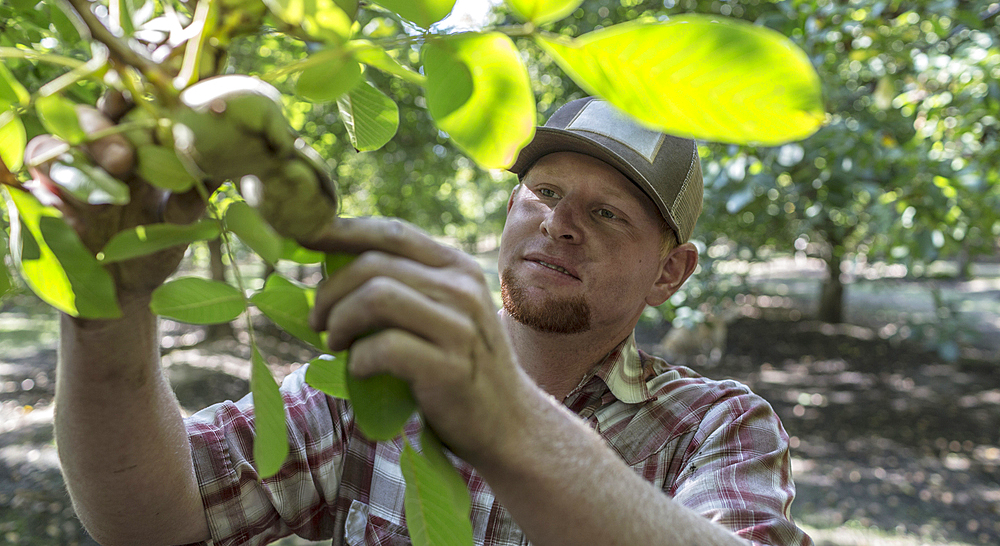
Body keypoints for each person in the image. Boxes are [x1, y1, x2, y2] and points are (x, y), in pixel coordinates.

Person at [37, 96, 813, 546]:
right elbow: (152, 515)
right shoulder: (374, 384)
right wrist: (104, 312)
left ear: (670, 273)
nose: (561, 224)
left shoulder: (718, 425)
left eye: (607, 212)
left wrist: (500, 415)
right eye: (543, 192)